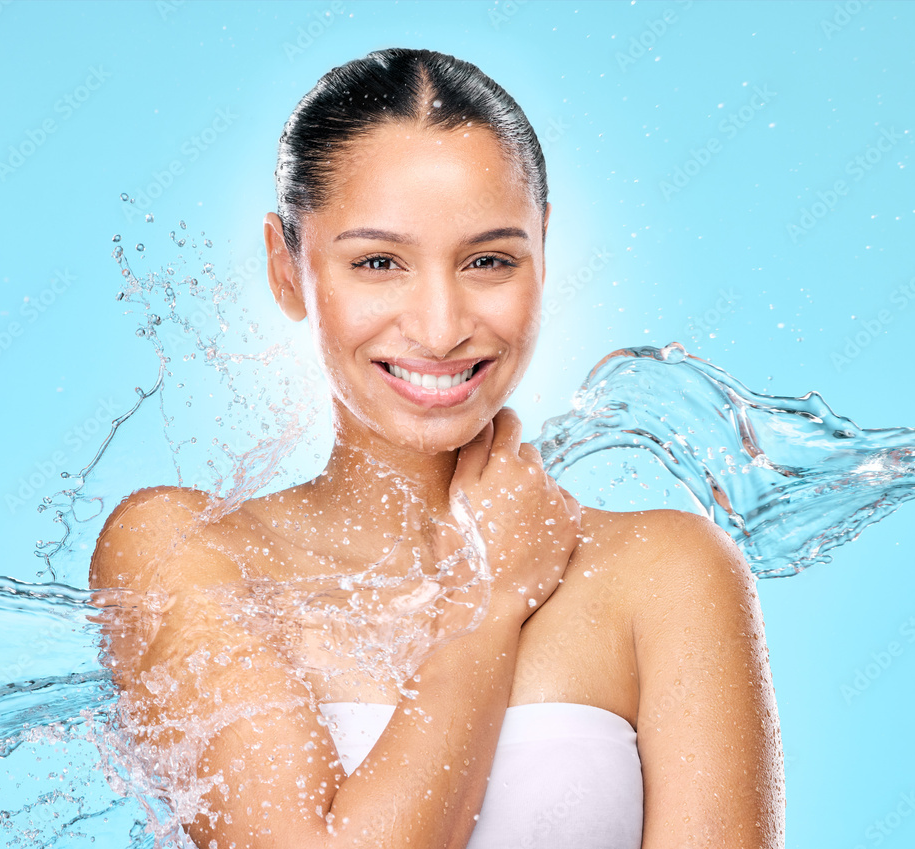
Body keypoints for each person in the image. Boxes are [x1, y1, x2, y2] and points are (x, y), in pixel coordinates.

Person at [90, 47, 785, 848]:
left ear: (543, 250)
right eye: (378, 262)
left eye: (489, 259)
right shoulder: (184, 551)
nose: (441, 324)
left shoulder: (670, 573)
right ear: (287, 268)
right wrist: (489, 609)